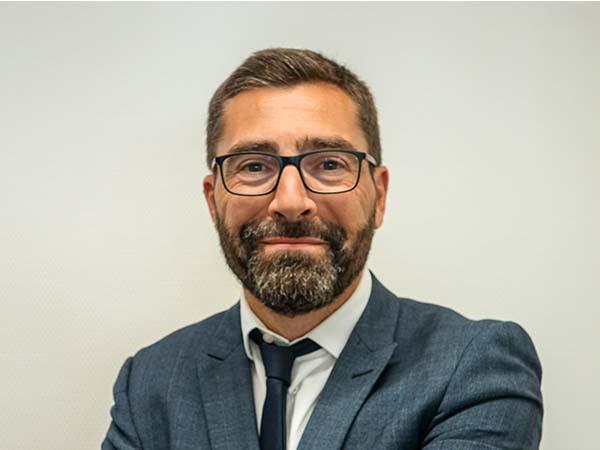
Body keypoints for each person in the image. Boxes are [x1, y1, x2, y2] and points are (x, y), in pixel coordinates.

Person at [102, 48, 543, 450]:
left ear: (379, 195)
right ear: (212, 200)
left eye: (329, 163)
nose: (291, 201)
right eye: (253, 166)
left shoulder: (474, 366)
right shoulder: (149, 382)